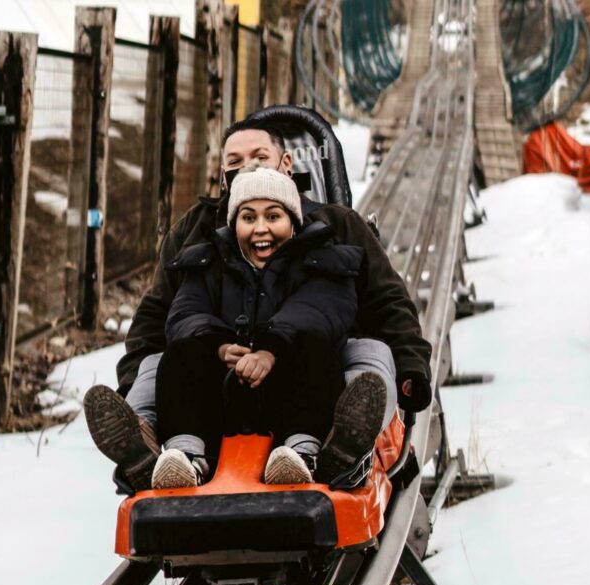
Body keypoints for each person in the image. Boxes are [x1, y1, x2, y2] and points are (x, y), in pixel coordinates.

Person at [85, 116, 432, 491]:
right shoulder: (200, 236)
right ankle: (145, 446)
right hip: (218, 373)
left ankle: (344, 446)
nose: (247, 165)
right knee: (165, 360)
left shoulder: (331, 230)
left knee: (368, 351)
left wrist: (410, 369)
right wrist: (140, 379)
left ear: (286, 165)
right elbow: (164, 312)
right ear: (223, 176)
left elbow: (379, 301)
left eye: (259, 156)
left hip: (309, 365)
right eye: (234, 161)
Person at [144, 163, 387, 488]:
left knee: (314, 349)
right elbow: (186, 312)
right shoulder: (208, 263)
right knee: (181, 355)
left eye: (273, 217)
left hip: (287, 391)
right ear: (234, 225)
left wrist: (271, 350)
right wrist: (218, 345)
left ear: (293, 223)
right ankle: (186, 456)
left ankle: (302, 453)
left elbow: (319, 309)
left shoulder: (324, 260)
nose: (260, 228)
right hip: (225, 391)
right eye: (248, 218)